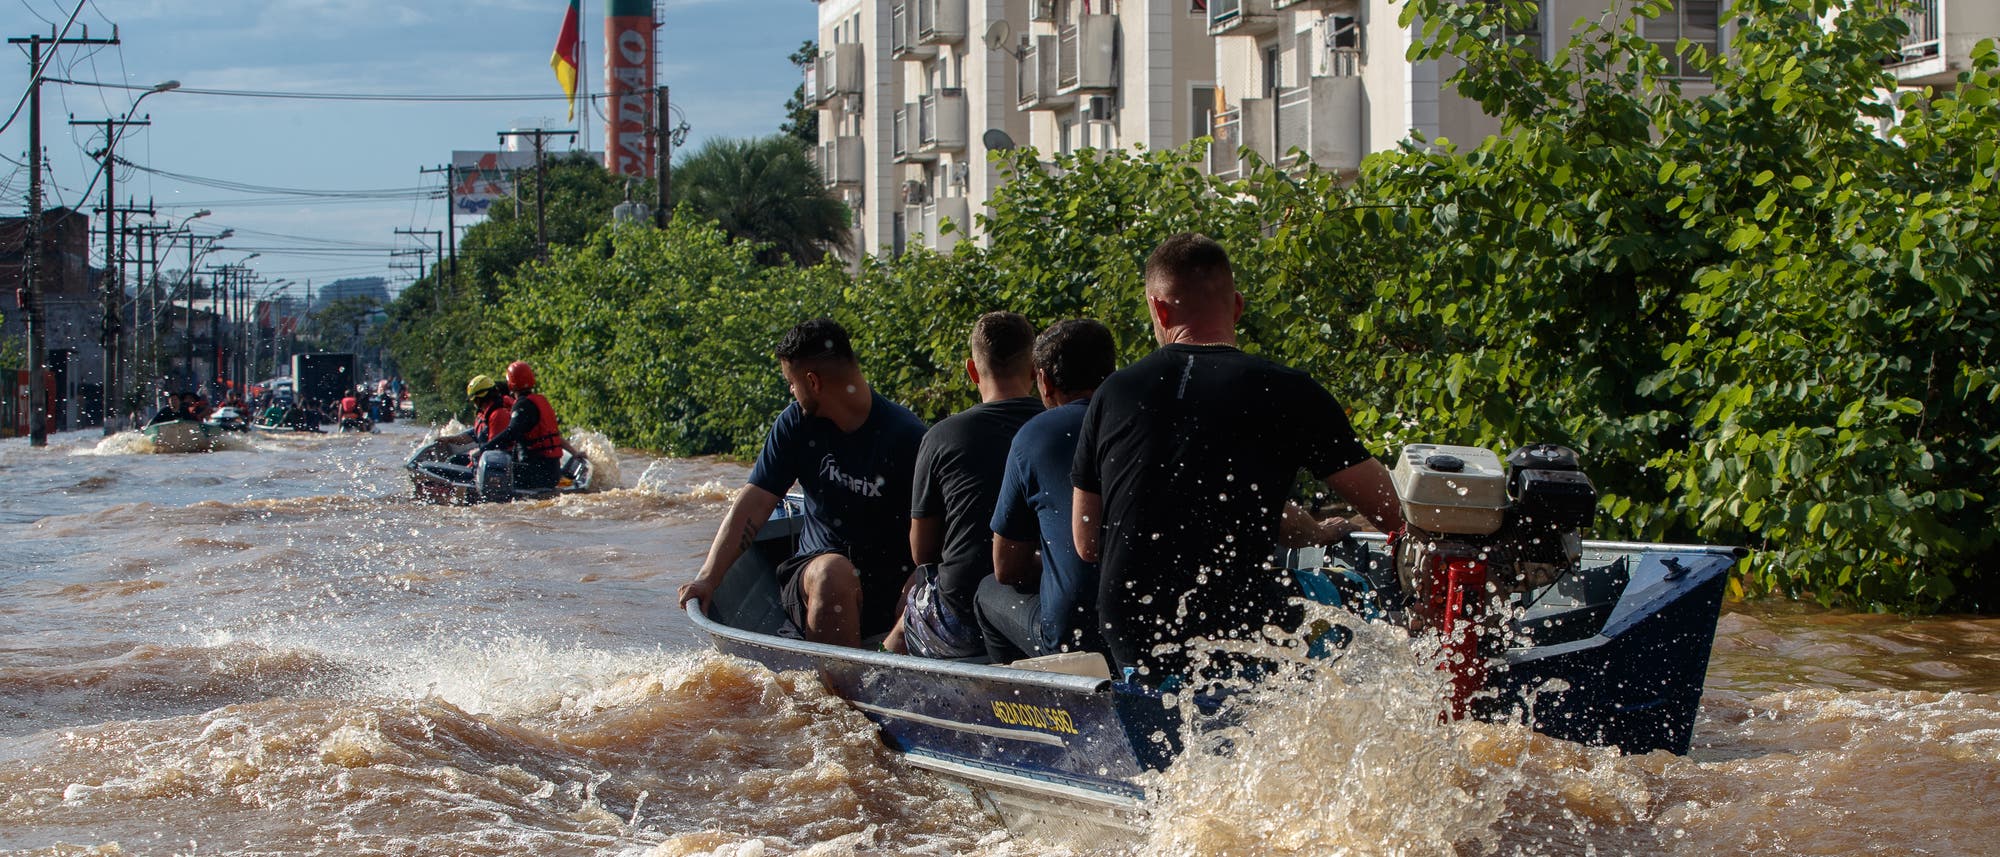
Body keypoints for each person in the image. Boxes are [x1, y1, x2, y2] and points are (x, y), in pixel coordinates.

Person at [1071, 233, 1405, 684]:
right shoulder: (1287, 390)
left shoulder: (1114, 391)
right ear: (1238, 307)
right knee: (1357, 594)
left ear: (1160, 310)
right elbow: (1391, 512)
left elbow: (1087, 542)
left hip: (1130, 625)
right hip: (1238, 619)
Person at [676, 318, 928, 648]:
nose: (791, 392)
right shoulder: (795, 425)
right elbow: (754, 502)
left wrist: (921, 575)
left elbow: (936, 528)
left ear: (812, 381)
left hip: (889, 588)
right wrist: (708, 579)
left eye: (791, 383)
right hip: (816, 578)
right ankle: (833, 692)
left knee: (917, 589)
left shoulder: (907, 436)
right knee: (834, 573)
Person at [888, 312, 1044, 658]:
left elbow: (922, 552)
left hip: (962, 620)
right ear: (1035, 371)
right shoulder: (1056, 427)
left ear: (972, 371)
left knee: (912, 602)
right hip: (1038, 607)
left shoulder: (943, 435)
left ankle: (876, 677)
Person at [976, 319, 1119, 665]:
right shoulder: (1139, 421)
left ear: (1044, 380)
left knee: (986, 591)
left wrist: (1054, 561)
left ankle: (1018, 703)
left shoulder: (1034, 435)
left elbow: (1007, 568)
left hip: (1074, 634)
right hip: (1141, 620)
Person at [477, 361, 583, 491]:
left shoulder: (523, 405)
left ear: (511, 383)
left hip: (535, 474)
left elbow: (511, 432)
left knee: (495, 471)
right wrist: (575, 452)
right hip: (553, 472)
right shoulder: (541, 401)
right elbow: (554, 437)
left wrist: (483, 450)